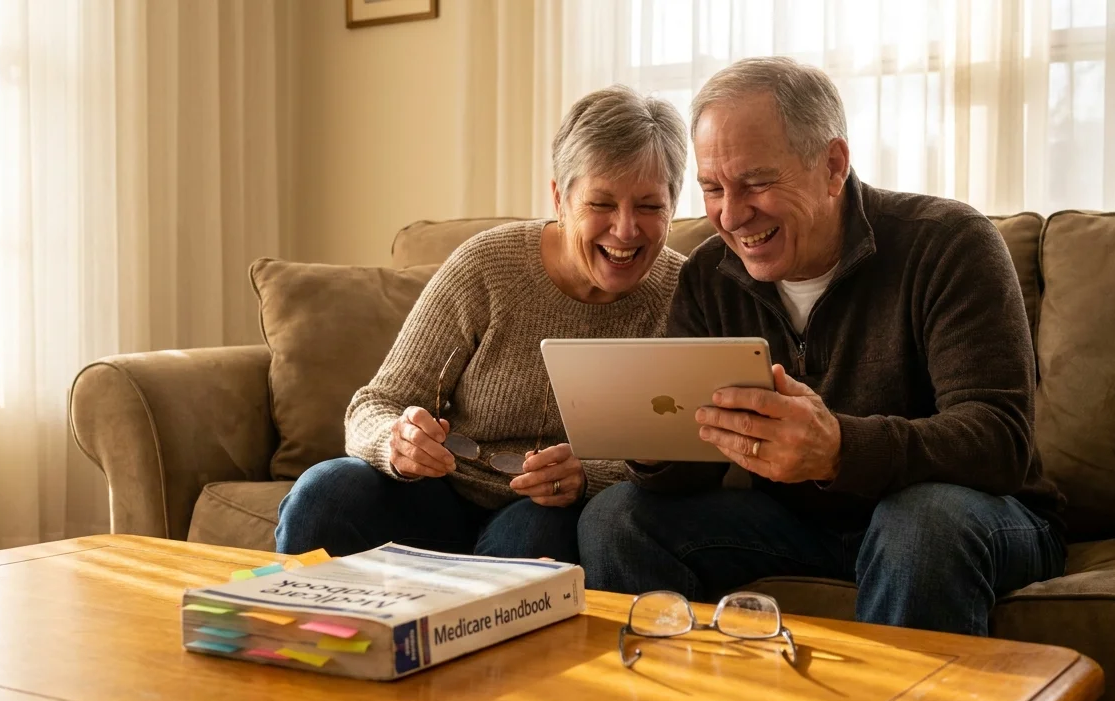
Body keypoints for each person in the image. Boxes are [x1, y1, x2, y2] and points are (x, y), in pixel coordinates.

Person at [577, 57, 1066, 637]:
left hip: (971, 517)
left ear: (832, 165)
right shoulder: (710, 274)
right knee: (617, 518)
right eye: (713, 189)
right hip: (798, 525)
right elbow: (692, 476)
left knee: (919, 523)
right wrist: (655, 448)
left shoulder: (948, 244)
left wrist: (840, 449)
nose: (731, 216)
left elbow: (999, 440)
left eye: (757, 183)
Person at [275, 85, 689, 564]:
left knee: (530, 540)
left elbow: (686, 455)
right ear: (560, 198)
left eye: (649, 206)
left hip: (548, 508)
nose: (625, 229)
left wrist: (588, 476)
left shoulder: (683, 294)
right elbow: (375, 403)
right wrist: (397, 441)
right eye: (600, 204)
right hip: (439, 491)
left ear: (673, 207)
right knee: (323, 493)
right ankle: (294, 627)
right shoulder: (487, 265)